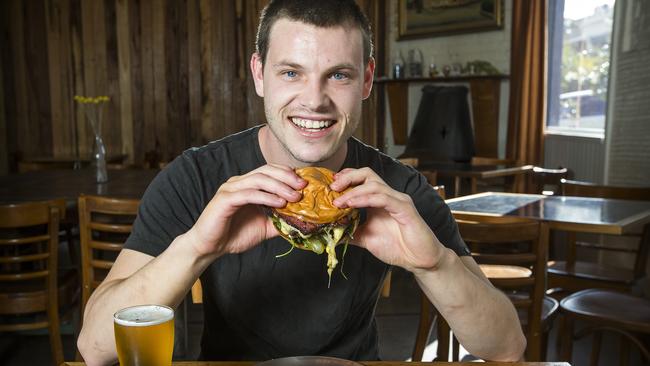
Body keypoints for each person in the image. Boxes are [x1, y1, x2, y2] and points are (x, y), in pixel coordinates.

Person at [77, 0, 525, 364]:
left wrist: (434, 264)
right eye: (291, 72)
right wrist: (197, 247)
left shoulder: (397, 191)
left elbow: (507, 346)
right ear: (259, 74)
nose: (314, 101)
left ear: (366, 79)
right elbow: (93, 347)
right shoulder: (195, 177)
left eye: (339, 75)